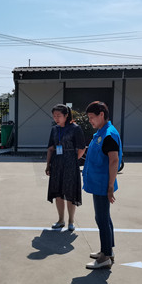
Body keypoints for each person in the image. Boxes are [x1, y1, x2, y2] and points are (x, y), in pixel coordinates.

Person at [82, 101, 122, 270]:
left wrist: (110, 186)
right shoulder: (102, 132)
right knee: (104, 217)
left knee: (102, 219)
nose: (90, 120)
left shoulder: (108, 135)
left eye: (92, 117)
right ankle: (107, 251)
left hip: (103, 184)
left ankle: (105, 256)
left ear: (102, 115)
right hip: (98, 182)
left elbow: (114, 160)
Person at [45, 104, 86, 232]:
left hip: (70, 164)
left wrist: (73, 160)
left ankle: (71, 221)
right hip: (57, 163)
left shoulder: (75, 129)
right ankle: (60, 220)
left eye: (59, 115)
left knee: (70, 193)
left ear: (66, 115)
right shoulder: (54, 129)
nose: (56, 118)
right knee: (58, 193)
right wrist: (48, 165)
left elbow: (82, 148)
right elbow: (50, 148)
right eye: (54, 116)